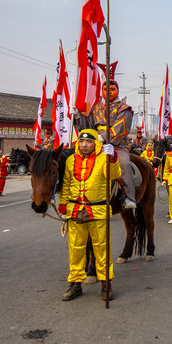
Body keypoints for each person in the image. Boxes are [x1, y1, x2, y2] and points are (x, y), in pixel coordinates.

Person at [58, 129, 121, 302]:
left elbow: (113, 175)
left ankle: (105, 284)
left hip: (98, 211)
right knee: (75, 250)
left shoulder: (104, 157)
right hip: (76, 211)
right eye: (81, 141)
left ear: (96, 143)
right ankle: (75, 285)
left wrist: (113, 158)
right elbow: (65, 185)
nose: (84, 144)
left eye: (89, 141)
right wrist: (63, 208)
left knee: (102, 249)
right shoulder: (70, 160)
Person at [74, 79, 136, 209]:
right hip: (95, 144)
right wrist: (77, 117)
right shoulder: (96, 108)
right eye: (105, 90)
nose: (109, 92)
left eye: (112, 90)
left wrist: (102, 137)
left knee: (124, 163)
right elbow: (88, 127)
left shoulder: (124, 108)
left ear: (118, 91)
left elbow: (121, 127)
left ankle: (128, 197)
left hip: (116, 145)